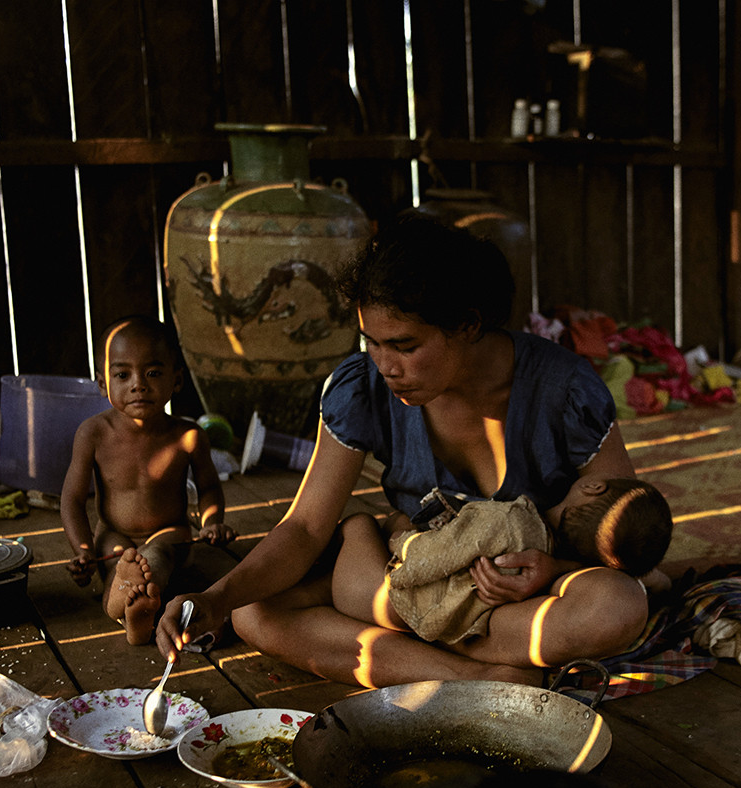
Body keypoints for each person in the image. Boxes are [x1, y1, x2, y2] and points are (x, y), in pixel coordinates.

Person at [154, 216, 650, 687]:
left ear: (468, 325)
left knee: (617, 605)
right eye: (371, 341)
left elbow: (622, 535)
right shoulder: (362, 388)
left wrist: (552, 570)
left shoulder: (564, 391)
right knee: (252, 612)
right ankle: (479, 676)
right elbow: (305, 527)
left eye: (405, 346)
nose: (385, 365)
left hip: (520, 596)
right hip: (413, 583)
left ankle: (437, 655)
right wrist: (215, 599)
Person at [61, 314, 236, 645]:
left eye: (153, 373)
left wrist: (212, 523)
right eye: (123, 374)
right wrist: (83, 550)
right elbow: (71, 498)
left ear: (177, 379)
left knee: (155, 556)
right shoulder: (93, 434)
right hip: (113, 533)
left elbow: (209, 487)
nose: (138, 384)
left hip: (171, 533)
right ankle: (132, 610)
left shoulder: (188, 435)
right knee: (118, 559)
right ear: (102, 384)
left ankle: (134, 602)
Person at [355, 475, 673, 647]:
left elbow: (424, 560)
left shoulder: (507, 521)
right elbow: (653, 579)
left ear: (593, 486)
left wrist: (401, 538)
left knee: (360, 525)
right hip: (445, 629)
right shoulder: (543, 565)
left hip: (385, 601)